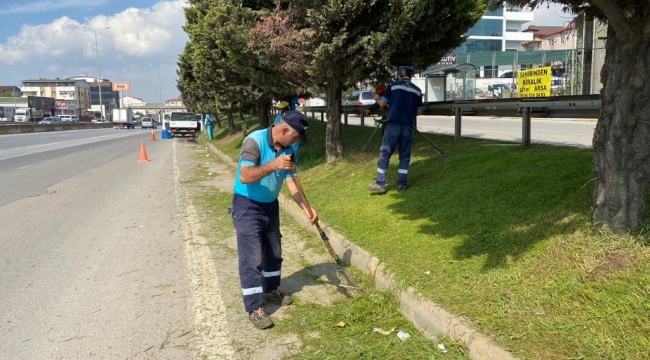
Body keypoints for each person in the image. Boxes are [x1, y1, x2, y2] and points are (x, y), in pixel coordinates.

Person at [231, 110, 318, 329]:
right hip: (247, 205)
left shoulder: (291, 147)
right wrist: (274, 165)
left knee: (273, 251)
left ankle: (271, 288)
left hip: (270, 205)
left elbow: (291, 181)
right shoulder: (254, 141)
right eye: (295, 136)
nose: (296, 141)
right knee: (252, 258)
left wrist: (306, 208)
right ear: (283, 130)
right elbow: (245, 176)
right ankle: (255, 307)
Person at [368, 66, 424, 194]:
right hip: (408, 126)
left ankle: (380, 184)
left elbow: (382, 104)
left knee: (385, 152)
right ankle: (402, 184)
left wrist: (376, 97)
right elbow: (420, 110)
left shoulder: (393, 86)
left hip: (393, 124)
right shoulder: (417, 90)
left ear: (398, 75)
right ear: (410, 76)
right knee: (404, 155)